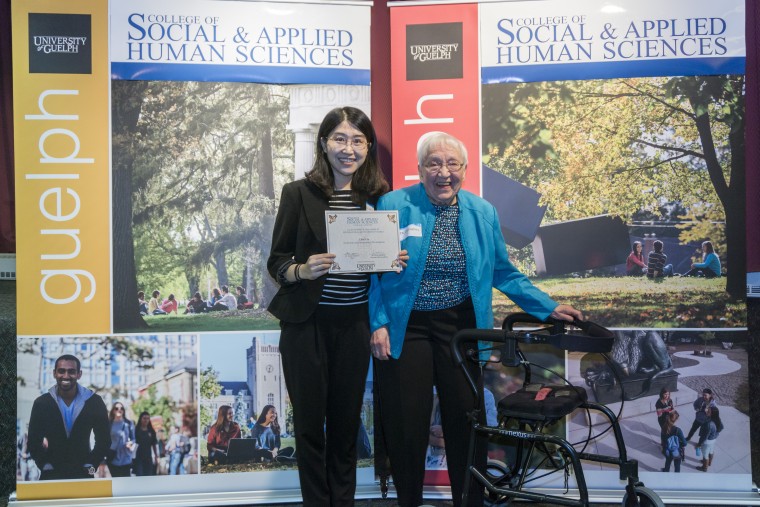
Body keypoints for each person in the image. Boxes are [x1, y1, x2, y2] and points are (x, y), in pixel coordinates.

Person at [369, 132, 583, 507]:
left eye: (453, 164)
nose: (444, 172)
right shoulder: (393, 204)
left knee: (467, 423)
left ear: (465, 170)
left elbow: (504, 271)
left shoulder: (482, 212)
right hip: (408, 326)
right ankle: (408, 502)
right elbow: (371, 272)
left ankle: (469, 502)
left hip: (462, 328)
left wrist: (546, 307)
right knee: (406, 424)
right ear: (419, 169)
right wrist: (378, 322)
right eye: (434, 163)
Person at [267, 106, 400, 506]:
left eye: (357, 140)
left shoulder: (380, 197)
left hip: (355, 326)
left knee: (345, 426)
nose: (348, 148)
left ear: (368, 147)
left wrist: (395, 260)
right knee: (309, 427)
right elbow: (276, 261)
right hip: (306, 326)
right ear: (324, 144)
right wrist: (301, 270)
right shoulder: (297, 193)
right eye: (340, 139)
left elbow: (383, 266)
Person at [27, 354, 110, 480]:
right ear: (54, 373)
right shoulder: (42, 403)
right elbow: (33, 441)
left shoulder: (94, 402)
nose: (66, 376)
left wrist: (91, 465)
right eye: (61, 371)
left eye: (71, 371)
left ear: (79, 374)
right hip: (51, 474)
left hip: (83, 474)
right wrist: (44, 464)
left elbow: (104, 440)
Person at [107, 402, 136, 477]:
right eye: (116, 408)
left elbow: (134, 439)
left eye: (121, 408)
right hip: (113, 457)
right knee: (115, 482)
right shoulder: (109, 424)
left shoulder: (128, 423)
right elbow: (105, 440)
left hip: (126, 457)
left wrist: (131, 443)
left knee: (126, 481)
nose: (119, 410)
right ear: (113, 411)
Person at [696, 406, 723, 472]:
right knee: (711, 451)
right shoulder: (717, 419)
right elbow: (721, 427)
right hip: (713, 440)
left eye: (708, 411)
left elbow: (704, 437)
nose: (706, 411)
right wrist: (715, 435)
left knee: (705, 454)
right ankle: (709, 462)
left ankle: (704, 468)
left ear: (712, 414)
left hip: (707, 442)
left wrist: (699, 444)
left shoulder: (709, 424)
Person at [133, 411, 159, 476]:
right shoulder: (136, 430)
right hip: (138, 457)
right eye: (144, 418)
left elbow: (154, 444)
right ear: (141, 419)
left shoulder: (151, 431)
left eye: (148, 418)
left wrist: (156, 456)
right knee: (139, 475)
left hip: (148, 457)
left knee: (148, 475)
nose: (146, 420)